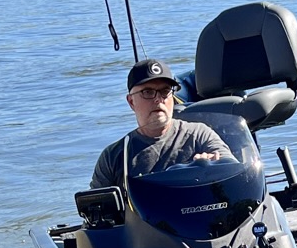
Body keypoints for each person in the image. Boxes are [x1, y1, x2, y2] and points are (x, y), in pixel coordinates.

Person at [91, 59, 231, 191]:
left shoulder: (199, 135)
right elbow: (95, 208)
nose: (158, 99)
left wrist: (212, 165)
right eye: (148, 92)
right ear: (131, 102)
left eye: (165, 91)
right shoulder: (114, 156)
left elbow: (233, 169)